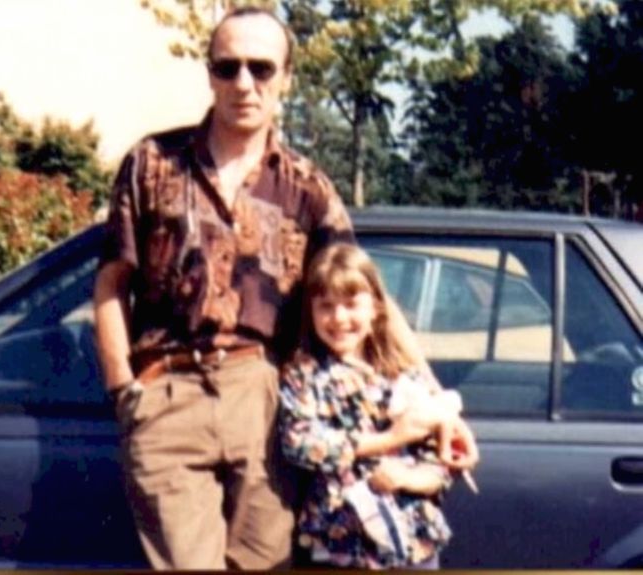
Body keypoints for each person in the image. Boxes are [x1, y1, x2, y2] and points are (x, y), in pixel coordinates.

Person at [93, 7, 355, 569]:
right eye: (227, 66)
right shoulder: (150, 163)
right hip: (167, 392)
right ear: (209, 74)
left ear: (286, 79)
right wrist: (124, 391)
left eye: (261, 68)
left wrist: (433, 403)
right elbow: (111, 284)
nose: (244, 83)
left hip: (265, 398)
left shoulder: (307, 188)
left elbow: (359, 300)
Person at [279, 243, 477, 569]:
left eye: (351, 304)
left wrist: (405, 477)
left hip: (412, 543)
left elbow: (442, 465)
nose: (339, 317)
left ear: (376, 309)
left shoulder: (405, 375)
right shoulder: (304, 374)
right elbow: (300, 442)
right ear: (311, 313)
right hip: (340, 547)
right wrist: (390, 438)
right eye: (325, 306)